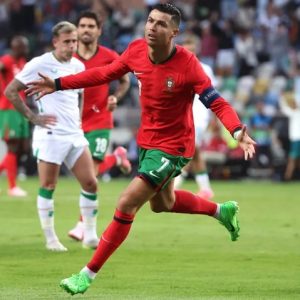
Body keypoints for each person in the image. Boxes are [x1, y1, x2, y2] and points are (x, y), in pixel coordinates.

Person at [25, 4, 256, 295]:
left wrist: (237, 130)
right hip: (147, 140)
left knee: (126, 202)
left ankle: (87, 274)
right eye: (150, 21)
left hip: (174, 147)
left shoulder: (188, 64)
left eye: (160, 24)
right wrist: (58, 83)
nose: (151, 27)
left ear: (174, 32)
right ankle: (221, 211)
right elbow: (104, 74)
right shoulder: (135, 51)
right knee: (163, 204)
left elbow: (216, 102)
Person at [4, 21, 99, 251]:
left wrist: (79, 121)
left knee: (91, 183)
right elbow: (10, 91)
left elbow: (81, 94)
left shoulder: (78, 66)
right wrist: (32, 117)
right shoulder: (40, 63)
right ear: (55, 42)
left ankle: (90, 235)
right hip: (51, 134)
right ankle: (50, 238)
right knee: (48, 184)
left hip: (74, 133)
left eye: (74, 41)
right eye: (67, 41)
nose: (72, 45)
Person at [68, 11, 131, 242]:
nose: (86, 29)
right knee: (81, 172)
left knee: (91, 174)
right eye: (82, 25)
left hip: (100, 119)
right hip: (73, 122)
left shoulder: (108, 56)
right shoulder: (68, 57)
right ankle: (116, 158)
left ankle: (81, 225)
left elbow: (125, 79)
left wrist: (116, 96)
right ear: (76, 30)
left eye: (90, 26)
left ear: (99, 30)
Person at [174, 33, 216, 199]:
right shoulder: (177, 68)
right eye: (186, 49)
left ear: (196, 50)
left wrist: (213, 118)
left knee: (187, 150)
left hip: (199, 117)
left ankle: (174, 186)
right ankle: (205, 188)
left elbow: (213, 95)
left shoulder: (205, 69)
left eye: (192, 49)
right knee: (195, 151)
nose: (189, 52)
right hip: (182, 116)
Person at [0, 35, 29, 197]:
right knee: (13, 145)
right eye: (23, 46)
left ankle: (12, 184)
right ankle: (12, 187)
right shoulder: (7, 60)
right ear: (15, 47)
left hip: (21, 108)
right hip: (8, 108)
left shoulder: (22, 63)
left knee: (23, 148)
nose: (25, 49)